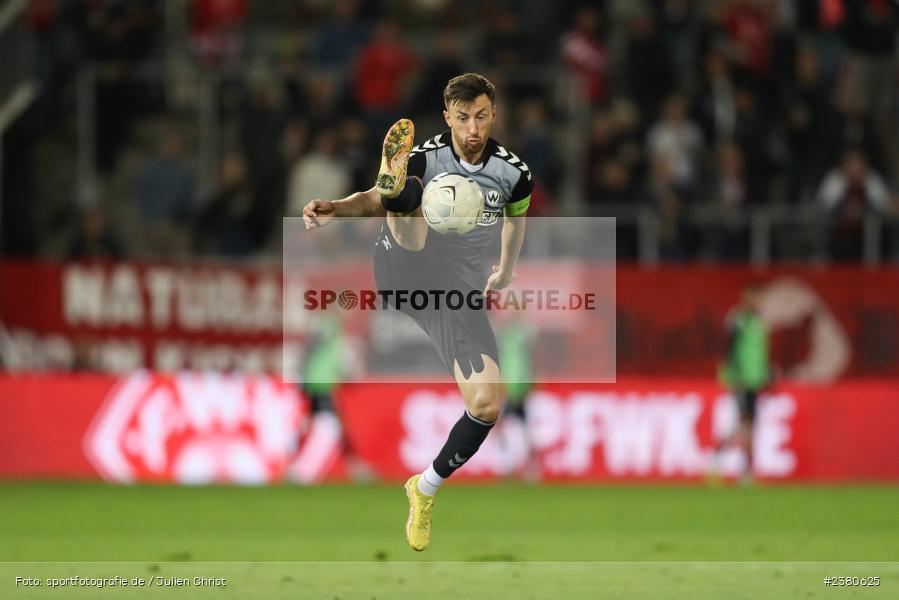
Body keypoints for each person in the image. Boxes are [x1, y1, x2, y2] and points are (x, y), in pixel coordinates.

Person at [302, 73, 532, 551]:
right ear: (448, 117)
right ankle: (402, 192)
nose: (473, 128)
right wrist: (336, 208)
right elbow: (367, 199)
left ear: (494, 115)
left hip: (454, 294)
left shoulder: (514, 173)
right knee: (406, 201)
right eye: (463, 118)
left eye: (482, 116)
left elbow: (516, 222)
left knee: (487, 404)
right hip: (404, 270)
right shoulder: (428, 157)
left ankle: (423, 487)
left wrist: (506, 272)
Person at [714, 282, 771, 482]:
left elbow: (758, 352)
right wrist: (733, 371)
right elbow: (728, 345)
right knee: (745, 424)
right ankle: (722, 457)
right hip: (742, 378)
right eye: (752, 297)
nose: (756, 301)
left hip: (755, 380)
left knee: (749, 425)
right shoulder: (738, 319)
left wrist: (766, 372)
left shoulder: (758, 321)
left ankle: (743, 469)